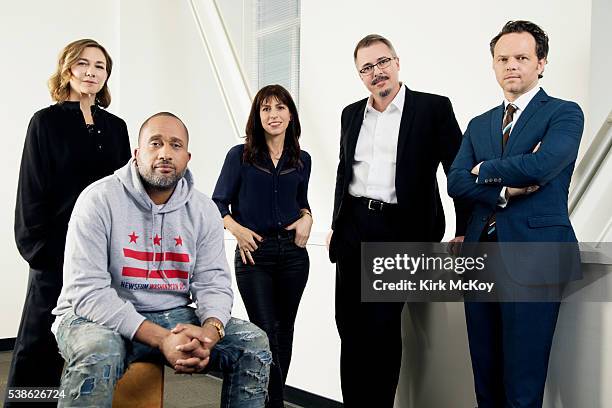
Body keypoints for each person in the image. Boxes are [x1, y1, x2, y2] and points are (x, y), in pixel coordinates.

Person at [50, 112, 271, 407]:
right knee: (98, 351)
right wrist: (161, 339)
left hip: (171, 315)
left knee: (253, 345)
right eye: (155, 144)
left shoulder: (203, 209)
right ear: (137, 153)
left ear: (187, 157)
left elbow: (213, 283)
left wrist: (209, 332)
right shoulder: (99, 199)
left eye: (175, 145)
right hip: (94, 316)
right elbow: (87, 293)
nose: (165, 153)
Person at [328, 34, 470, 407]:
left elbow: (456, 173)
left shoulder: (432, 108)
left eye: (382, 62)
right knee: (350, 331)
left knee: (382, 330)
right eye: (367, 68)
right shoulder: (351, 113)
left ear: (397, 62)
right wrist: (336, 223)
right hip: (354, 228)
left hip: (400, 232)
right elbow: (346, 171)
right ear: (360, 76)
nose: (377, 73)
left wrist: (464, 228)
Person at [447, 20, 584, 407]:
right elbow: (456, 181)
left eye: (522, 57)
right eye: (502, 58)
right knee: (486, 377)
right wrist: (506, 189)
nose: (511, 65)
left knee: (523, 381)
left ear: (541, 63)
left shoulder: (564, 113)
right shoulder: (479, 124)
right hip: (480, 256)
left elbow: (543, 167)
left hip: (536, 255)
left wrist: (485, 168)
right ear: (493, 65)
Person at [7, 39, 131, 406]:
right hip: (55, 255)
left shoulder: (117, 127)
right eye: (83, 64)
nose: (92, 72)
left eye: (100, 66)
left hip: (103, 255)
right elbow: (31, 189)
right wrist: (40, 252)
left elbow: (123, 192)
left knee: (99, 344)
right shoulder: (45, 122)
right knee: (37, 350)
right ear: (67, 69)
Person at [213, 84, 311, 408]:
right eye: (266, 108)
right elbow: (219, 204)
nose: (274, 115)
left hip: (294, 256)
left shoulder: (302, 159)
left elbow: (301, 202)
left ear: (291, 114)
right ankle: (276, 404)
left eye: (280, 108)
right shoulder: (239, 156)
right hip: (254, 254)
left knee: (285, 333)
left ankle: (270, 402)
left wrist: (308, 217)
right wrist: (238, 230)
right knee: (265, 332)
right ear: (257, 115)